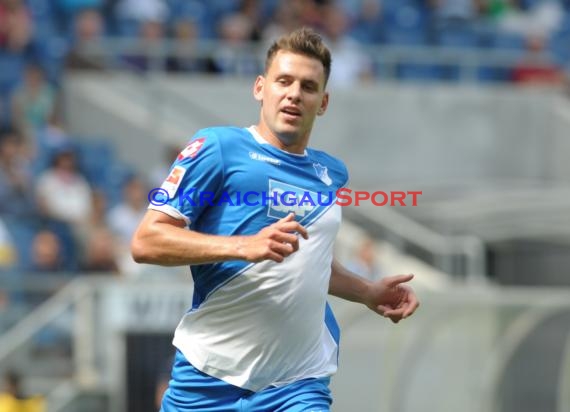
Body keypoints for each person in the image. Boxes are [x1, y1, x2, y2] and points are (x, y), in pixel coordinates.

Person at [131, 27, 419, 411]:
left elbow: (309, 262)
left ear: (323, 102)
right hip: (209, 377)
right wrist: (244, 246)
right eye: (284, 81)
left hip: (296, 383)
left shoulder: (331, 174)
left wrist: (367, 292)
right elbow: (146, 241)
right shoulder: (217, 147)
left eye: (308, 86)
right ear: (259, 88)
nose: (294, 93)